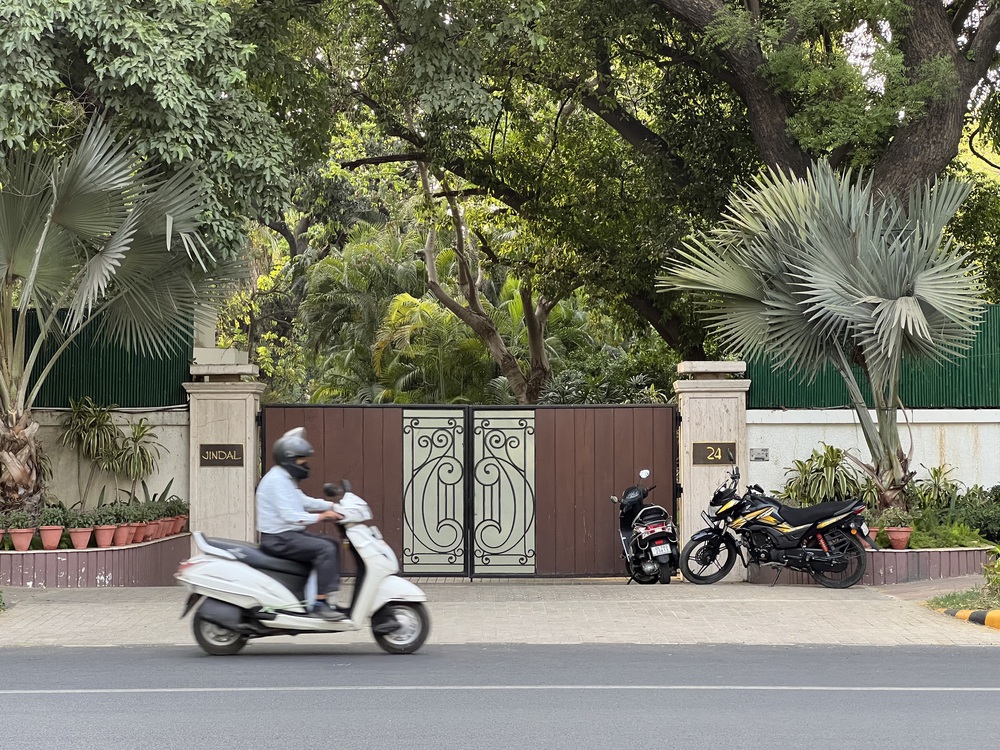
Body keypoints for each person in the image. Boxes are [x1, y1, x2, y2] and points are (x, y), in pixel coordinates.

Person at [256, 427, 346, 621]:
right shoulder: (277, 481)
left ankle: (322, 598)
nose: (305, 463)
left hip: (288, 535)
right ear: (289, 458)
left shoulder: (283, 478)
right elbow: (291, 516)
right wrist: (322, 517)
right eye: (301, 459)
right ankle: (320, 604)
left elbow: (303, 501)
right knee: (325, 549)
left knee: (331, 544)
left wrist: (333, 505)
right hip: (279, 538)